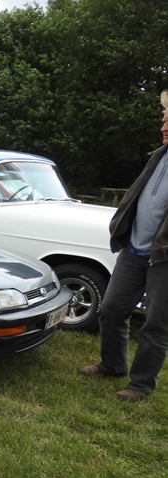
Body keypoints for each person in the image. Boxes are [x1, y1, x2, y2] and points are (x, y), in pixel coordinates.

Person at [79, 89, 168, 401]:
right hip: (134, 249)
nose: (163, 126)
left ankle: (141, 385)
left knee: (156, 325)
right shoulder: (159, 155)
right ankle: (113, 365)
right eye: (163, 119)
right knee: (112, 309)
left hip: (164, 258)